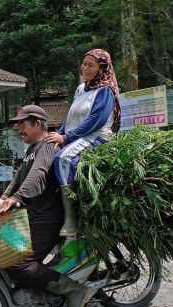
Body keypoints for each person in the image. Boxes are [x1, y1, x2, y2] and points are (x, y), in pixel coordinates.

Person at [0, 105, 92, 307]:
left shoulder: (46, 147)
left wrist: (17, 199)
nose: (19, 128)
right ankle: (33, 289)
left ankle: (74, 290)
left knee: (19, 263)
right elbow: (18, 178)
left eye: (23, 124)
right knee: (4, 249)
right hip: (32, 216)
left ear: (37, 124)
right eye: (17, 124)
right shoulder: (31, 149)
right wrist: (4, 198)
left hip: (48, 218)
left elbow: (37, 177)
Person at [44, 49, 121, 237]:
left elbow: (96, 121)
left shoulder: (105, 91)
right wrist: (56, 134)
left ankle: (71, 218)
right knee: (44, 151)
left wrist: (65, 138)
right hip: (79, 137)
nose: (84, 68)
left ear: (102, 68)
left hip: (97, 138)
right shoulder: (82, 89)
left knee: (64, 158)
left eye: (91, 65)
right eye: (84, 63)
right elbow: (72, 119)